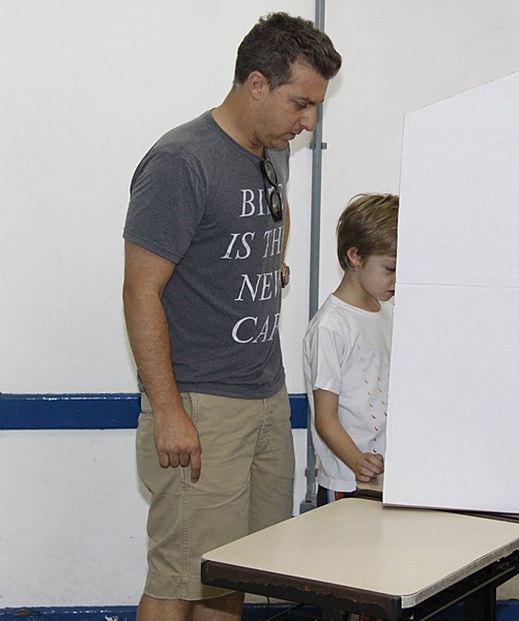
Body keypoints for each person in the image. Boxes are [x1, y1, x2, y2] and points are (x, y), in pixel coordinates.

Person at [122, 12, 341, 621]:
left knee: (233, 572)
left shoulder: (273, 150)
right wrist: (169, 411)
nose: (309, 122)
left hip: (264, 394)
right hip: (200, 404)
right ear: (256, 84)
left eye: (316, 107)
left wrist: (273, 265)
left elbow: (275, 212)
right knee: (178, 577)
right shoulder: (181, 162)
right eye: (301, 104)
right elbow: (139, 293)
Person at [302, 193, 399, 506]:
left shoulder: (391, 314)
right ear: (355, 256)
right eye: (390, 268)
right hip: (346, 482)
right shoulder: (331, 326)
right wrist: (357, 460)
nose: (397, 279)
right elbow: (325, 418)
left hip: (388, 481)